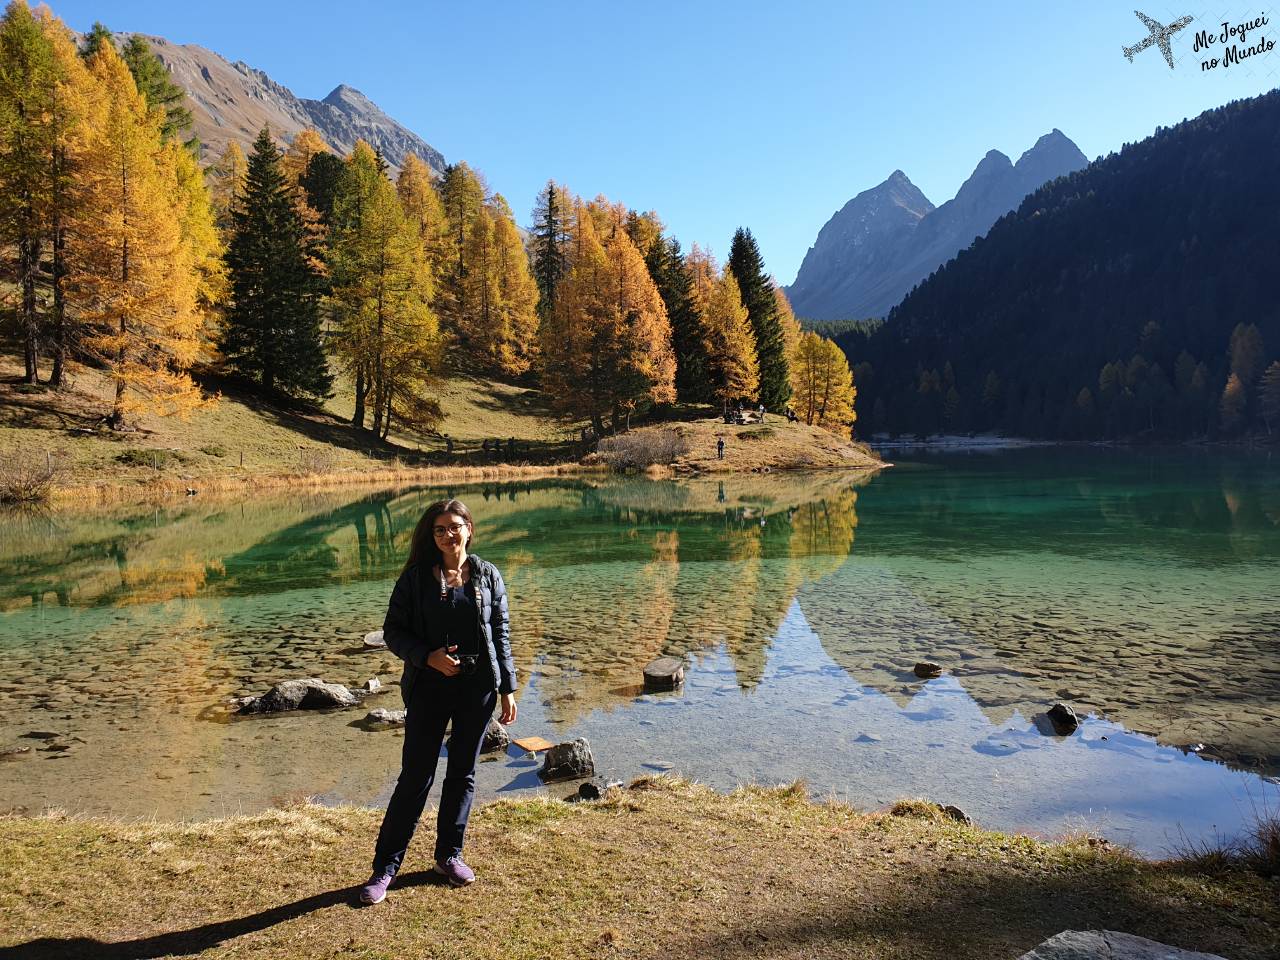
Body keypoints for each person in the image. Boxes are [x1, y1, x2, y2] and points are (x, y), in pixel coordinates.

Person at [360, 498, 518, 904]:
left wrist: (508, 686)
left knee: (462, 773)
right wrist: (426, 656)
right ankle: (385, 869)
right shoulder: (415, 578)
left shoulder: (487, 575)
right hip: (428, 688)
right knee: (416, 777)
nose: (449, 535)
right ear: (431, 536)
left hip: (477, 688)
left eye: (455, 526)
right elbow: (393, 631)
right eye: (440, 529)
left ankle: (448, 856)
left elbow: (500, 633)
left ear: (470, 528)